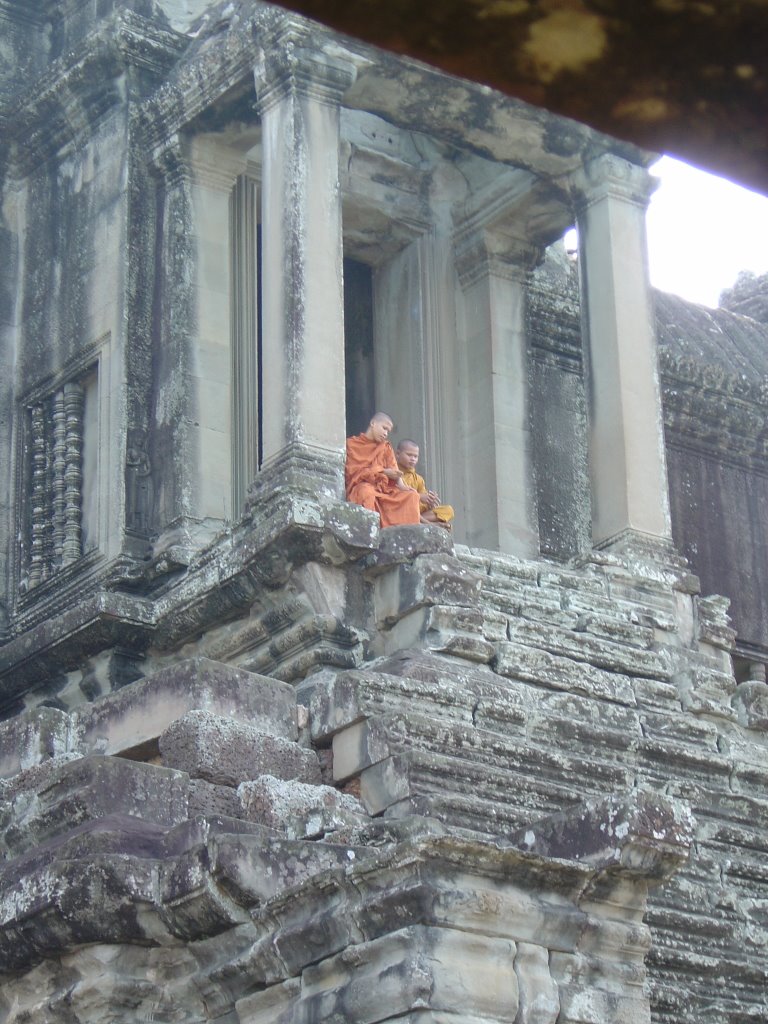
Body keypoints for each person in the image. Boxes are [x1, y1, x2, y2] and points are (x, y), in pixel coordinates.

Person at [345, 413, 421, 526]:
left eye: (388, 431)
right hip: (364, 486)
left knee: (412, 496)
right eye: (384, 428)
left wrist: (403, 486)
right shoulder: (351, 444)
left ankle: (409, 533)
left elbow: (394, 470)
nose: (386, 433)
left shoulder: (385, 447)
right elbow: (353, 472)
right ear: (373, 423)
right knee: (366, 492)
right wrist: (383, 472)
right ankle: (371, 528)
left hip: (384, 490)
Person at [395, 439, 454, 531]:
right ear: (398, 454)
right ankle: (430, 524)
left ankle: (420, 522)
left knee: (448, 510)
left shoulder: (419, 479)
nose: (413, 459)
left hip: (417, 514)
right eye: (409, 455)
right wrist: (418, 496)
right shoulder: (394, 473)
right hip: (401, 511)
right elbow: (396, 497)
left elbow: (422, 502)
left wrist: (430, 501)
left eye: (416, 456)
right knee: (409, 505)